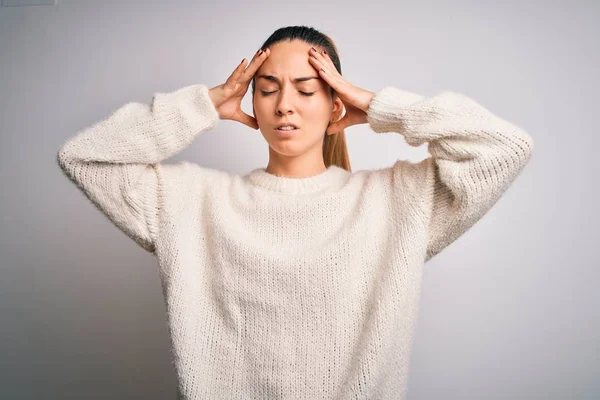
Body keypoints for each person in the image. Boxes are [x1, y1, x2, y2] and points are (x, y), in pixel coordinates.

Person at [56, 25, 534, 400]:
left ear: (335, 104)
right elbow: (85, 157)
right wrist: (201, 106)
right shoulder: (194, 202)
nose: (285, 105)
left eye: (307, 90)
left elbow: (504, 149)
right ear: (253, 102)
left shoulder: (393, 202)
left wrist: (379, 107)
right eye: (268, 89)